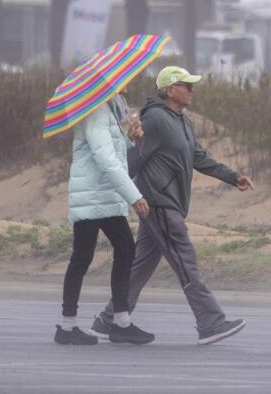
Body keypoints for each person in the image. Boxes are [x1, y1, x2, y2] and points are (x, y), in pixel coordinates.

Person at [91, 65, 254, 346]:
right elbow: (132, 160)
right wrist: (123, 188)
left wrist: (232, 177)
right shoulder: (154, 119)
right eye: (186, 85)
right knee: (185, 260)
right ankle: (211, 322)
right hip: (158, 204)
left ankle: (108, 322)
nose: (192, 90)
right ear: (169, 90)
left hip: (171, 205)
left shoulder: (183, 122)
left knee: (140, 267)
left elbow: (199, 157)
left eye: (192, 85)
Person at [56, 93, 154, 346]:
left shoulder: (109, 109)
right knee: (82, 258)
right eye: (118, 84)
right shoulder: (96, 111)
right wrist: (134, 196)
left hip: (106, 197)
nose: (122, 88)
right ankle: (67, 326)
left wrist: (131, 139)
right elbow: (106, 160)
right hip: (91, 196)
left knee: (125, 250)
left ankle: (121, 323)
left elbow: (116, 154)